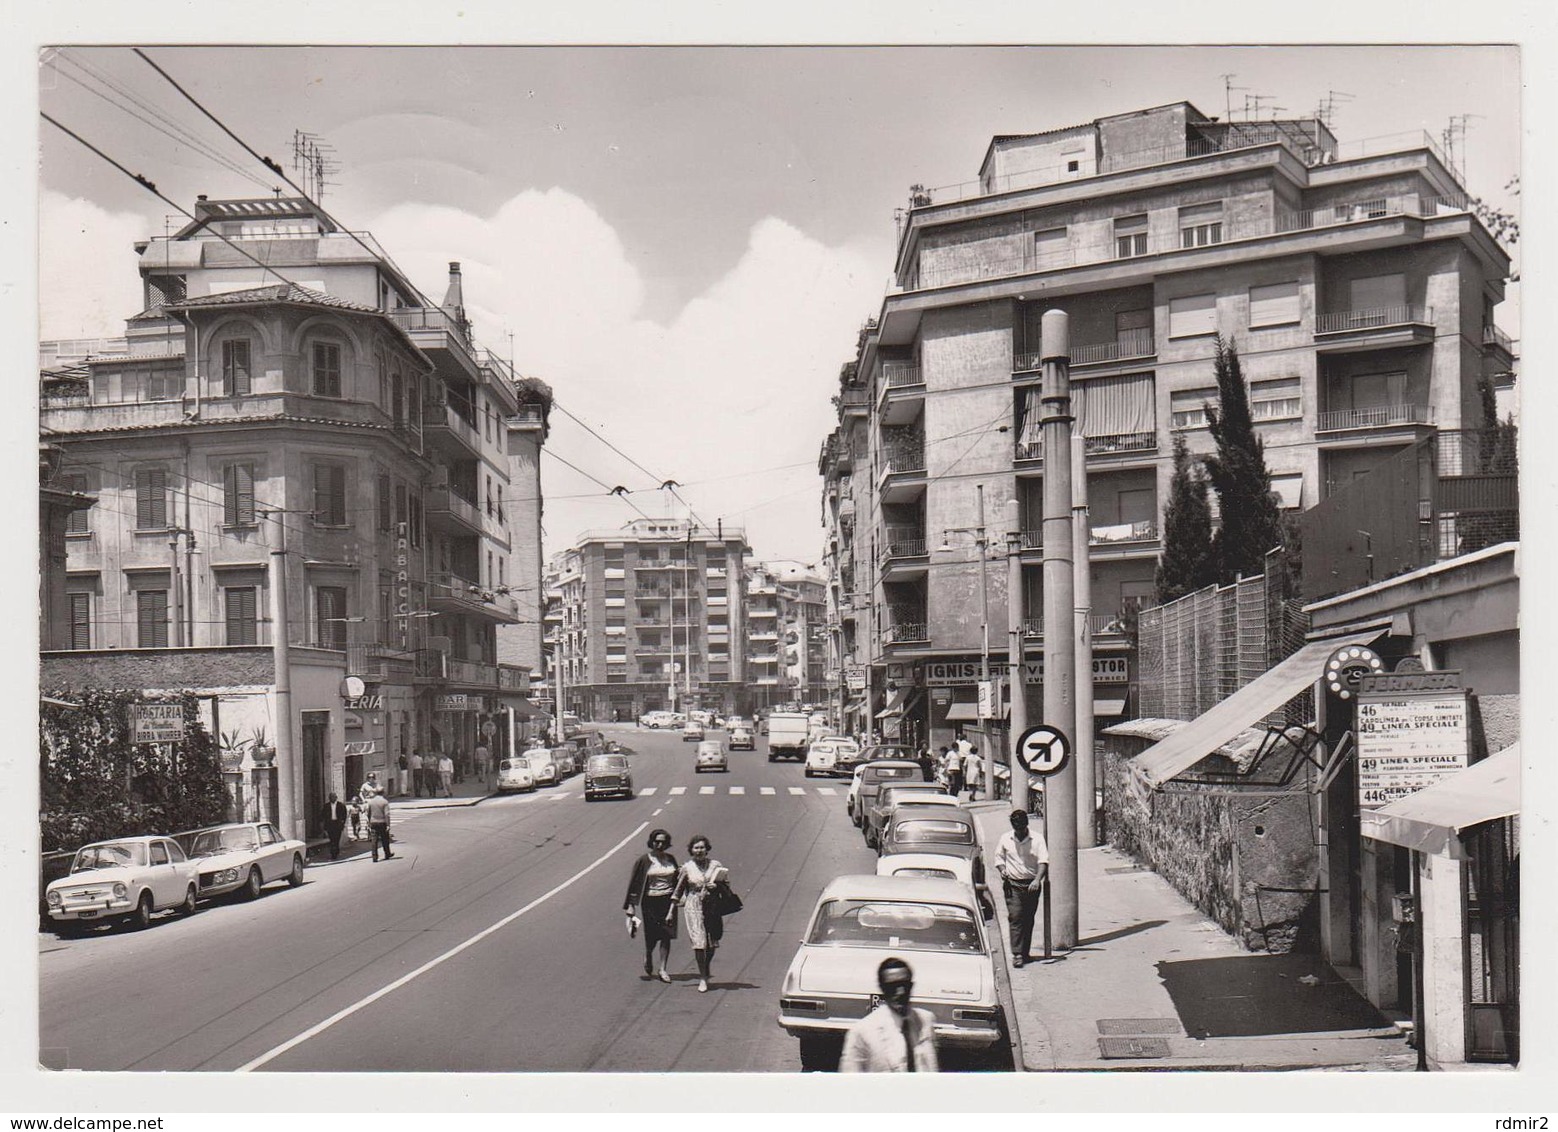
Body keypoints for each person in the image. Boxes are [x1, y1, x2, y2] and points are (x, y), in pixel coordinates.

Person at [839, 958, 939, 1072]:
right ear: (882, 989)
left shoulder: (925, 1021)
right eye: (892, 987)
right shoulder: (862, 1032)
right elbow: (849, 1081)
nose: (900, 992)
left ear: (911, 986)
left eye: (904, 985)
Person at [670, 835, 729, 993]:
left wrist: (715, 886)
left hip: (712, 905)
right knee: (698, 942)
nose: (699, 850)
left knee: (712, 941)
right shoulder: (687, 867)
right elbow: (678, 890)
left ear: (707, 849)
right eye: (696, 848)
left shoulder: (716, 865)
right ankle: (703, 977)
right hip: (693, 905)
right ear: (691, 850)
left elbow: (726, 883)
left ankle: (706, 965)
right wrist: (671, 911)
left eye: (702, 847)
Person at [994, 808, 1049, 967]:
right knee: (1016, 917)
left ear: (1027, 825)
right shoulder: (1005, 838)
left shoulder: (1037, 839)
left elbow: (1043, 861)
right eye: (1016, 829)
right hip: (1013, 884)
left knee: (1028, 919)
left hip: (1031, 885)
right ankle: (1017, 954)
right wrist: (1002, 870)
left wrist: (1037, 880)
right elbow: (998, 857)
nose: (1019, 833)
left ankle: (1025, 952)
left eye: (1021, 829)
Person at [623, 828, 679, 983]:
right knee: (653, 935)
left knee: (667, 934)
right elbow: (634, 883)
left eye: (663, 841)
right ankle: (648, 953)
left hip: (668, 900)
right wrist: (631, 905)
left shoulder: (671, 859)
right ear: (652, 842)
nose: (659, 844)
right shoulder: (644, 860)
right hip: (650, 901)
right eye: (657, 841)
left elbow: (678, 879)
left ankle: (663, 969)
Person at [366, 788, 394, 862]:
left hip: (373, 822)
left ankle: (374, 856)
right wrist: (388, 825)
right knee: (385, 839)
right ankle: (387, 853)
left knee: (374, 840)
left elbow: (368, 813)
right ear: (383, 793)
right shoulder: (384, 802)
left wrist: (369, 822)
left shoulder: (371, 802)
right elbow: (387, 814)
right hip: (382, 822)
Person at [321, 793, 348, 860]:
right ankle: (333, 853)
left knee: (336, 839)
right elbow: (323, 815)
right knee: (332, 839)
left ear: (336, 798)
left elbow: (344, 815)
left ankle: (335, 851)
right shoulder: (326, 806)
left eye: (333, 797)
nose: (332, 798)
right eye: (330, 797)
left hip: (337, 824)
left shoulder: (341, 805)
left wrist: (342, 824)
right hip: (330, 824)